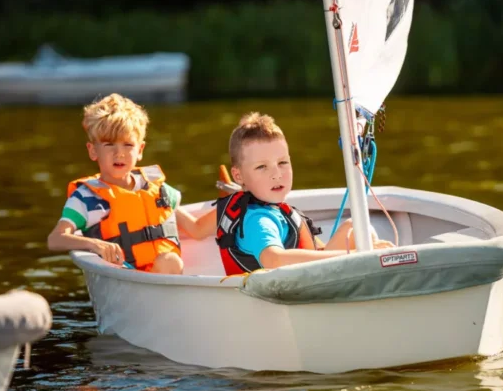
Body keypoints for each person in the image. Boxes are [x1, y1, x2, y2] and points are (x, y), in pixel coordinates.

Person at [47, 93, 216, 274]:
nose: (119, 153)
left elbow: (198, 230)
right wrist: (95, 244)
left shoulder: (160, 191)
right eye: (109, 144)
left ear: (140, 149)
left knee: (169, 261)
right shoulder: (86, 199)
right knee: (170, 262)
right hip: (123, 277)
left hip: (164, 274)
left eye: (128, 145)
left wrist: (237, 200)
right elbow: (55, 239)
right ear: (93, 150)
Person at [215, 112, 393, 275]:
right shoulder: (259, 221)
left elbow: (313, 249)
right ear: (238, 175)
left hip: (306, 278)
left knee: (355, 228)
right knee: (360, 238)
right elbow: (275, 259)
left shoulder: (276, 210)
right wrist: (355, 254)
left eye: (283, 162)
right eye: (262, 167)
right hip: (291, 294)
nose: (277, 174)